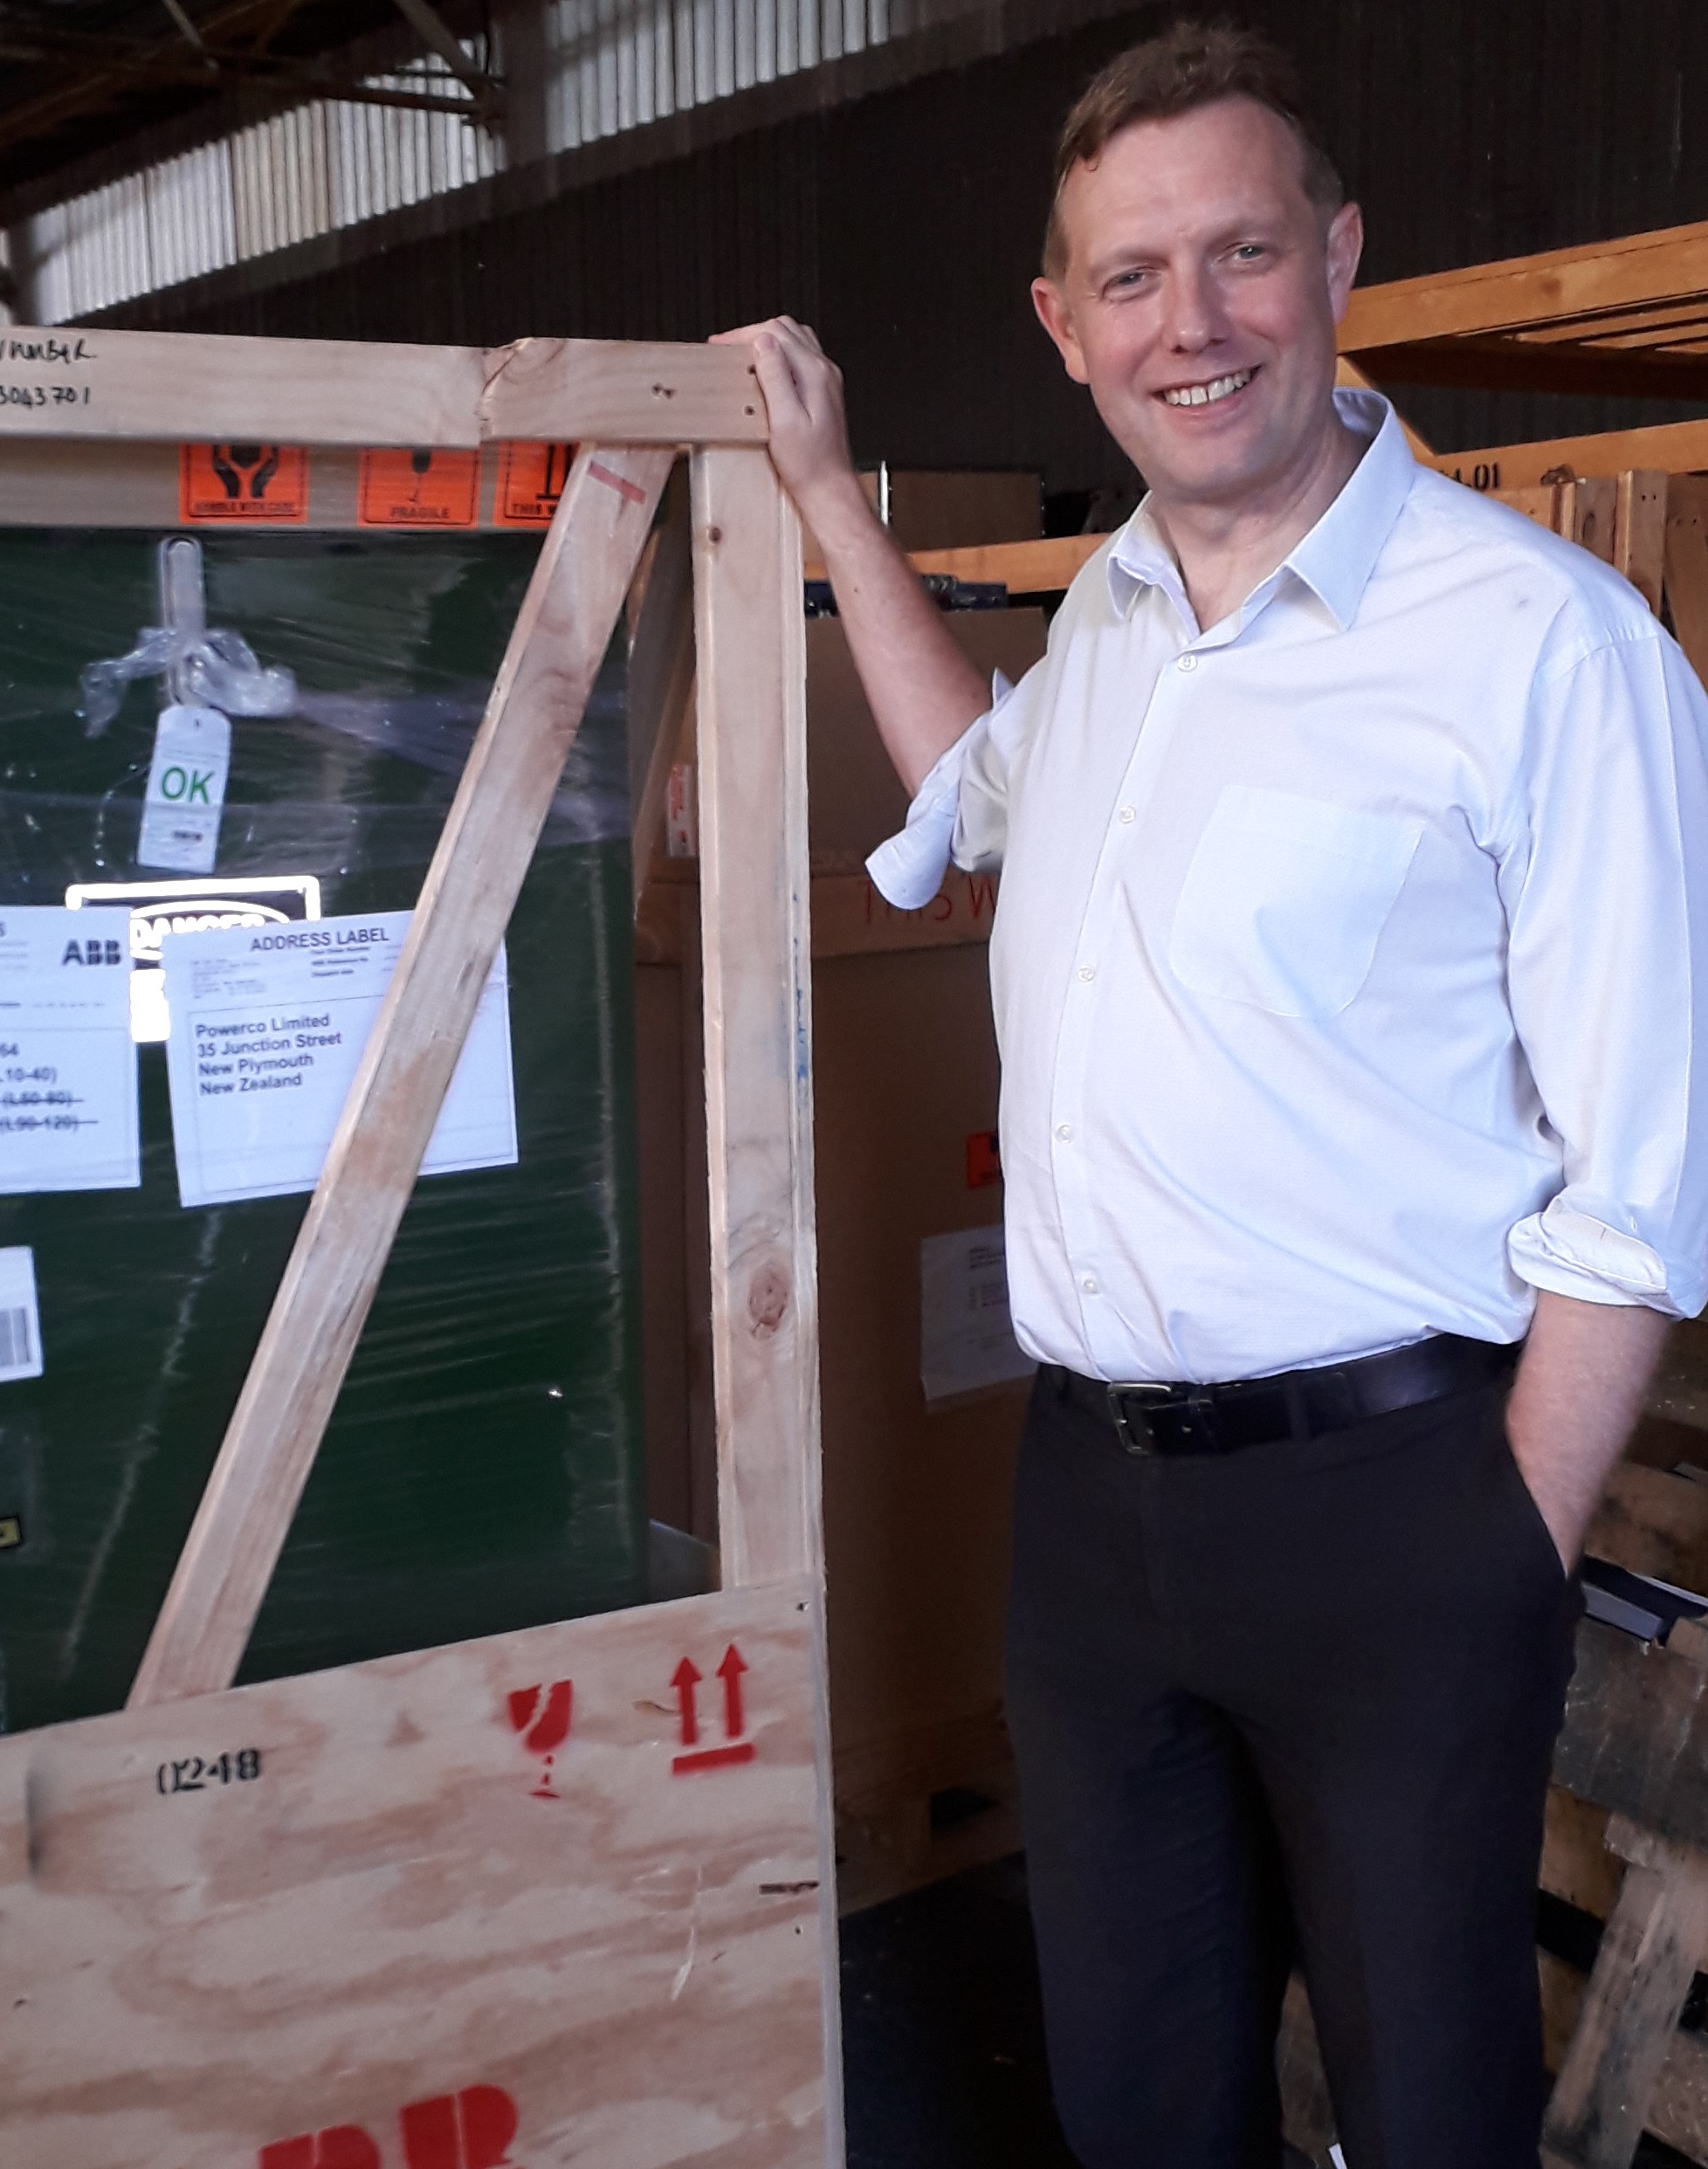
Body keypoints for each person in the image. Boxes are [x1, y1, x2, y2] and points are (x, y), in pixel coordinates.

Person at [719, 22, 1708, 2169]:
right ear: (1061, 331)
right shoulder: (1108, 638)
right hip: (1088, 1523)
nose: (1193, 322)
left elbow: (1646, 1170)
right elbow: (966, 792)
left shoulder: (1538, 647)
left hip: (1395, 1509)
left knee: (1423, 2107)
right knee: (1140, 2100)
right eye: (1133, 278)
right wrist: (818, 488)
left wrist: (1498, 1547)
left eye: (1238, 254)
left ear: (1334, 257)